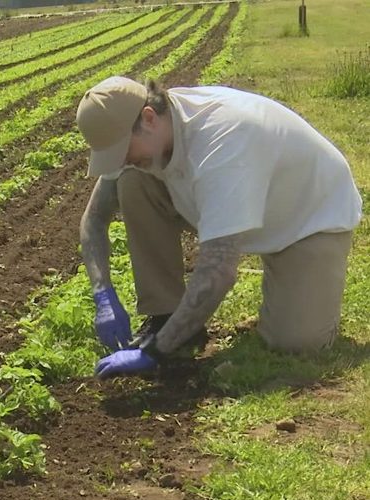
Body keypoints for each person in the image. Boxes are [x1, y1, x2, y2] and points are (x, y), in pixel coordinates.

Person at [75, 76, 363, 378]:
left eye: (124, 150)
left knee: (298, 341)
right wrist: (102, 294)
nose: (124, 159)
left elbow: (218, 271)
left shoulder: (221, 142)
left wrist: (154, 352)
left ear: (148, 118)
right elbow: (93, 220)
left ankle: (286, 293)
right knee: (132, 181)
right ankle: (167, 315)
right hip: (231, 198)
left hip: (304, 219)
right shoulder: (148, 133)